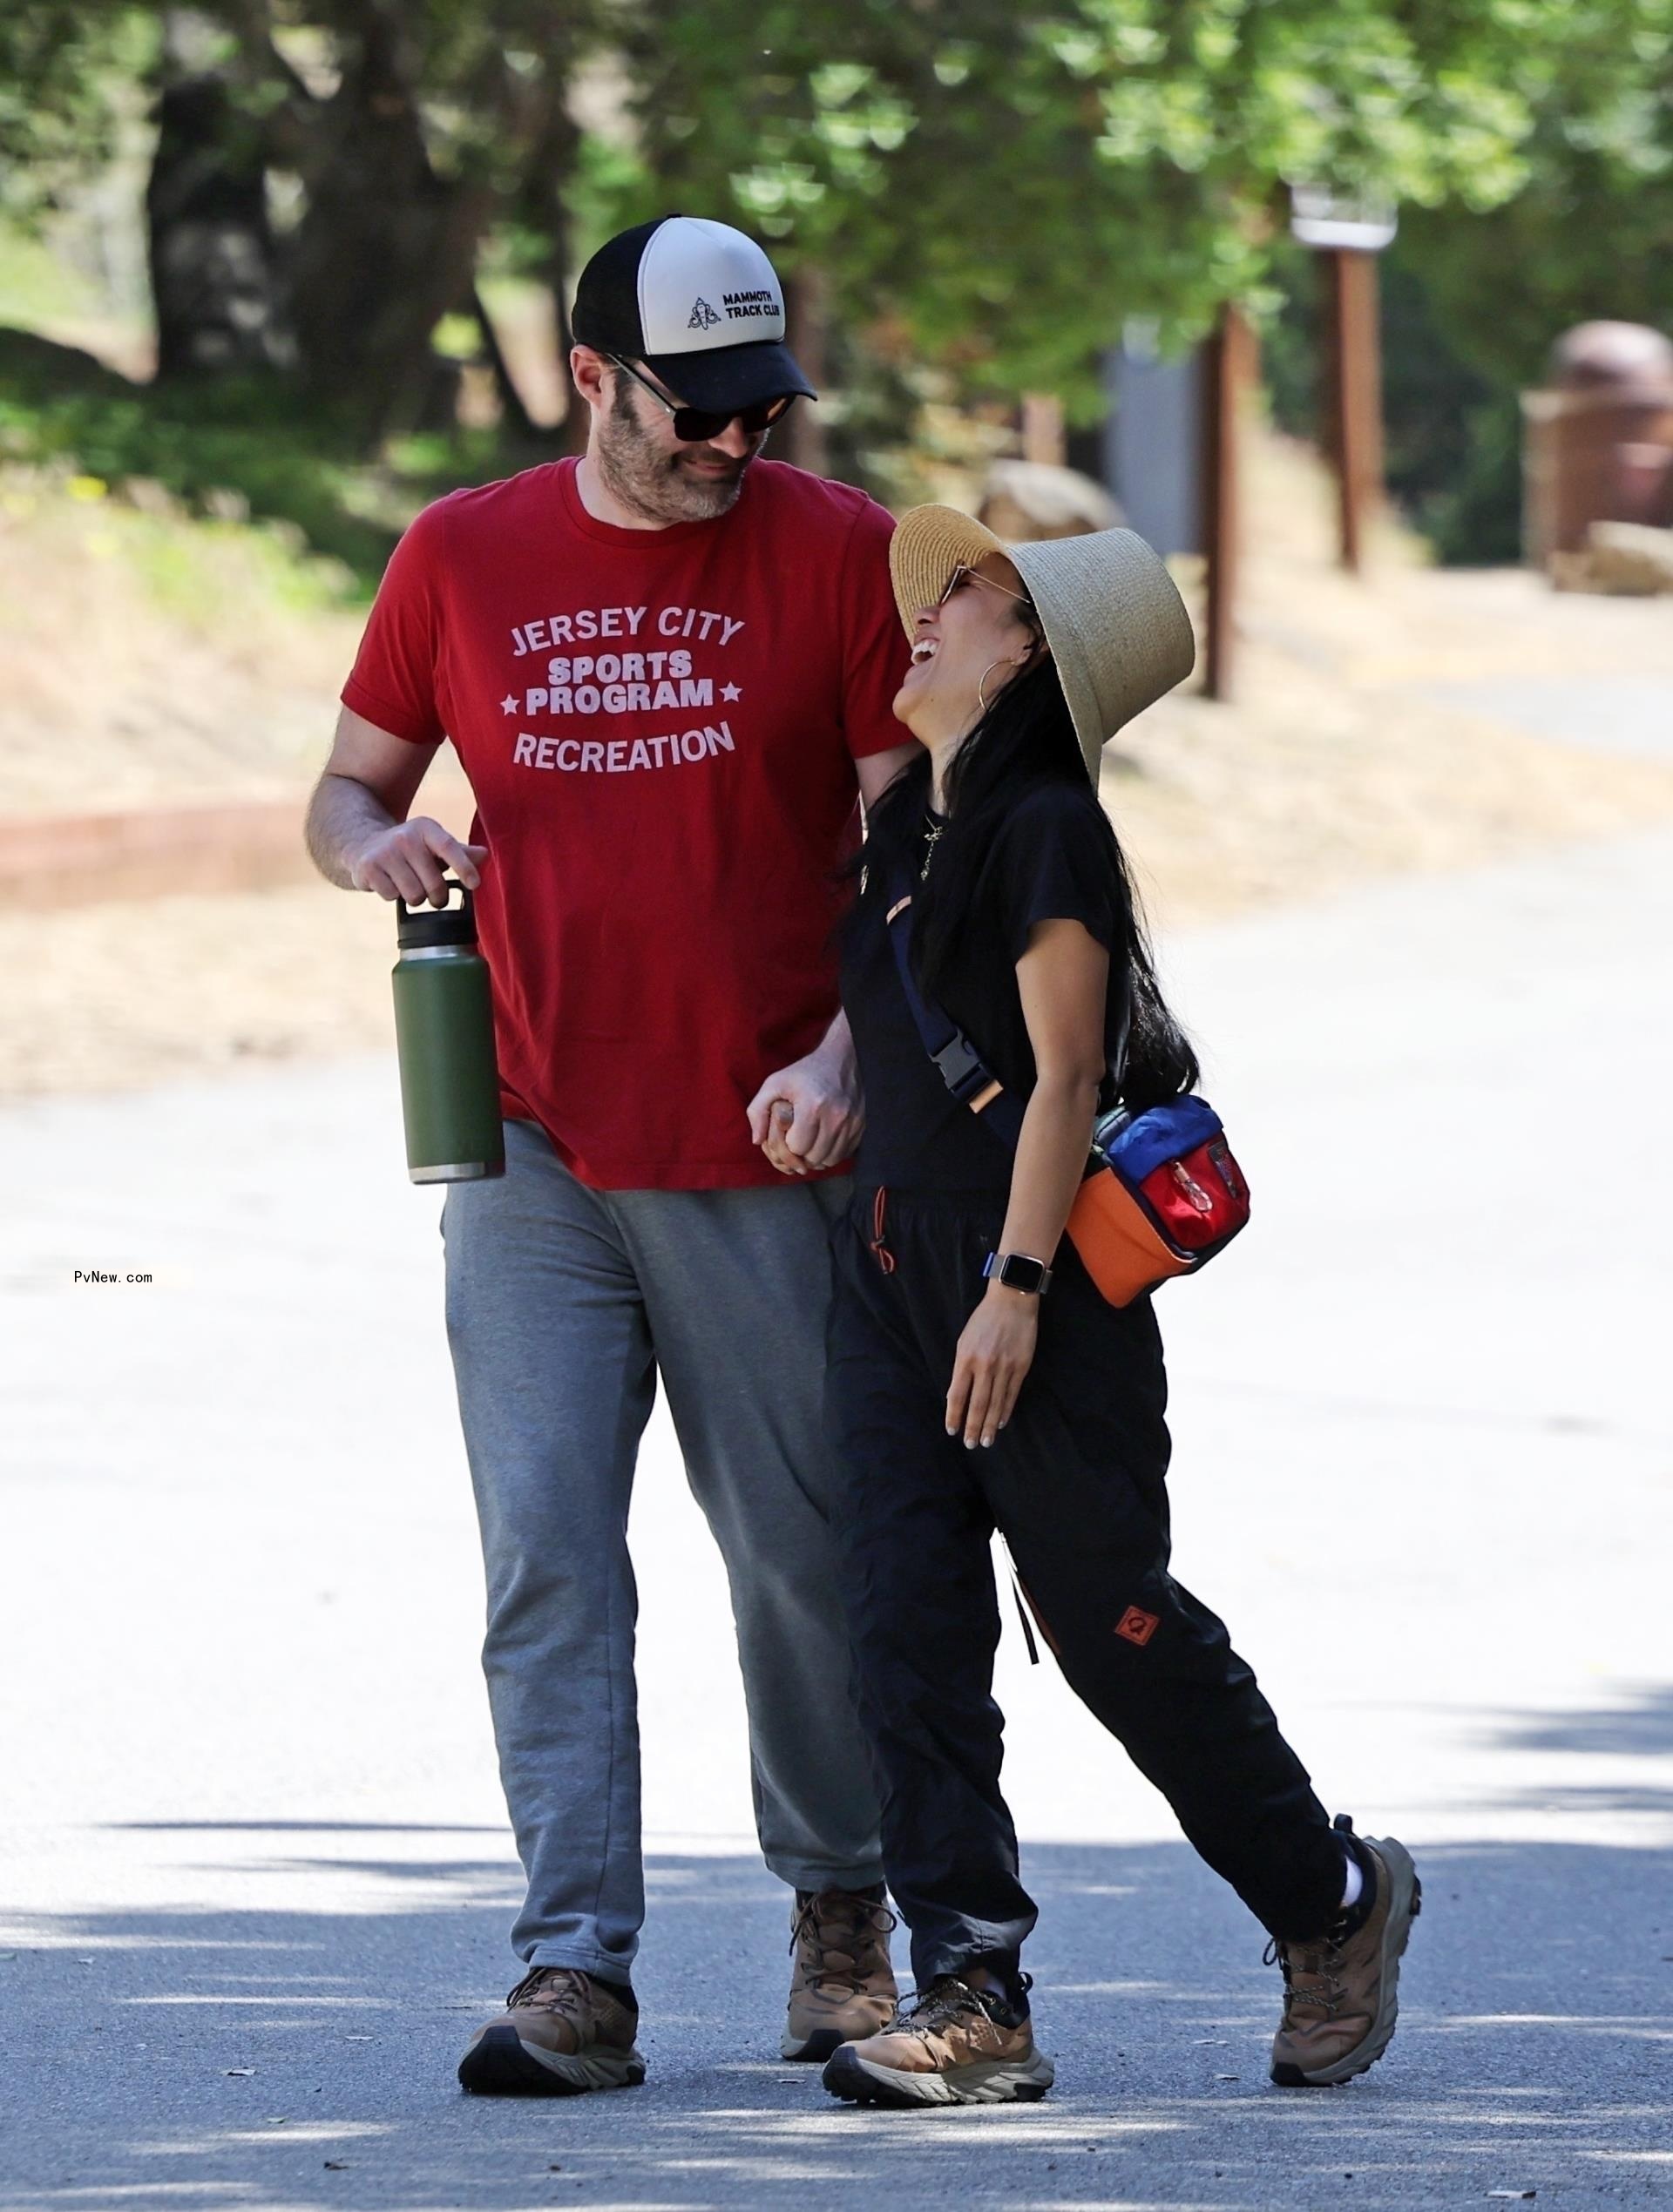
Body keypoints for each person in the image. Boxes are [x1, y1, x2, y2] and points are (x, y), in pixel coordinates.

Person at [304, 214, 915, 2096]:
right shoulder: (461, 554)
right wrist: (373, 849)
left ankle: (839, 1919)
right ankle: (577, 1965)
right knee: (549, 1556)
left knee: (800, 1561)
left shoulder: (840, 552)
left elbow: (920, 864)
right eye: (694, 411)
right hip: (532, 1141)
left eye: (760, 409)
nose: (735, 446)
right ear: (591, 378)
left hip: (763, 1141)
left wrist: (847, 1048)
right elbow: (345, 787)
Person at [816, 507, 1421, 2108]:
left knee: (1116, 1631)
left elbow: (1067, 1075)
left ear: (1031, 661)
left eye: (976, 594)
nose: (931, 609)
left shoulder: (1045, 829)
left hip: (1038, 1290)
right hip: (885, 1275)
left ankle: (1331, 1904)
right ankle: (974, 1995)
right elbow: (895, 1029)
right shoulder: (908, 827)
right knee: (903, 1633)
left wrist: (1013, 1292)